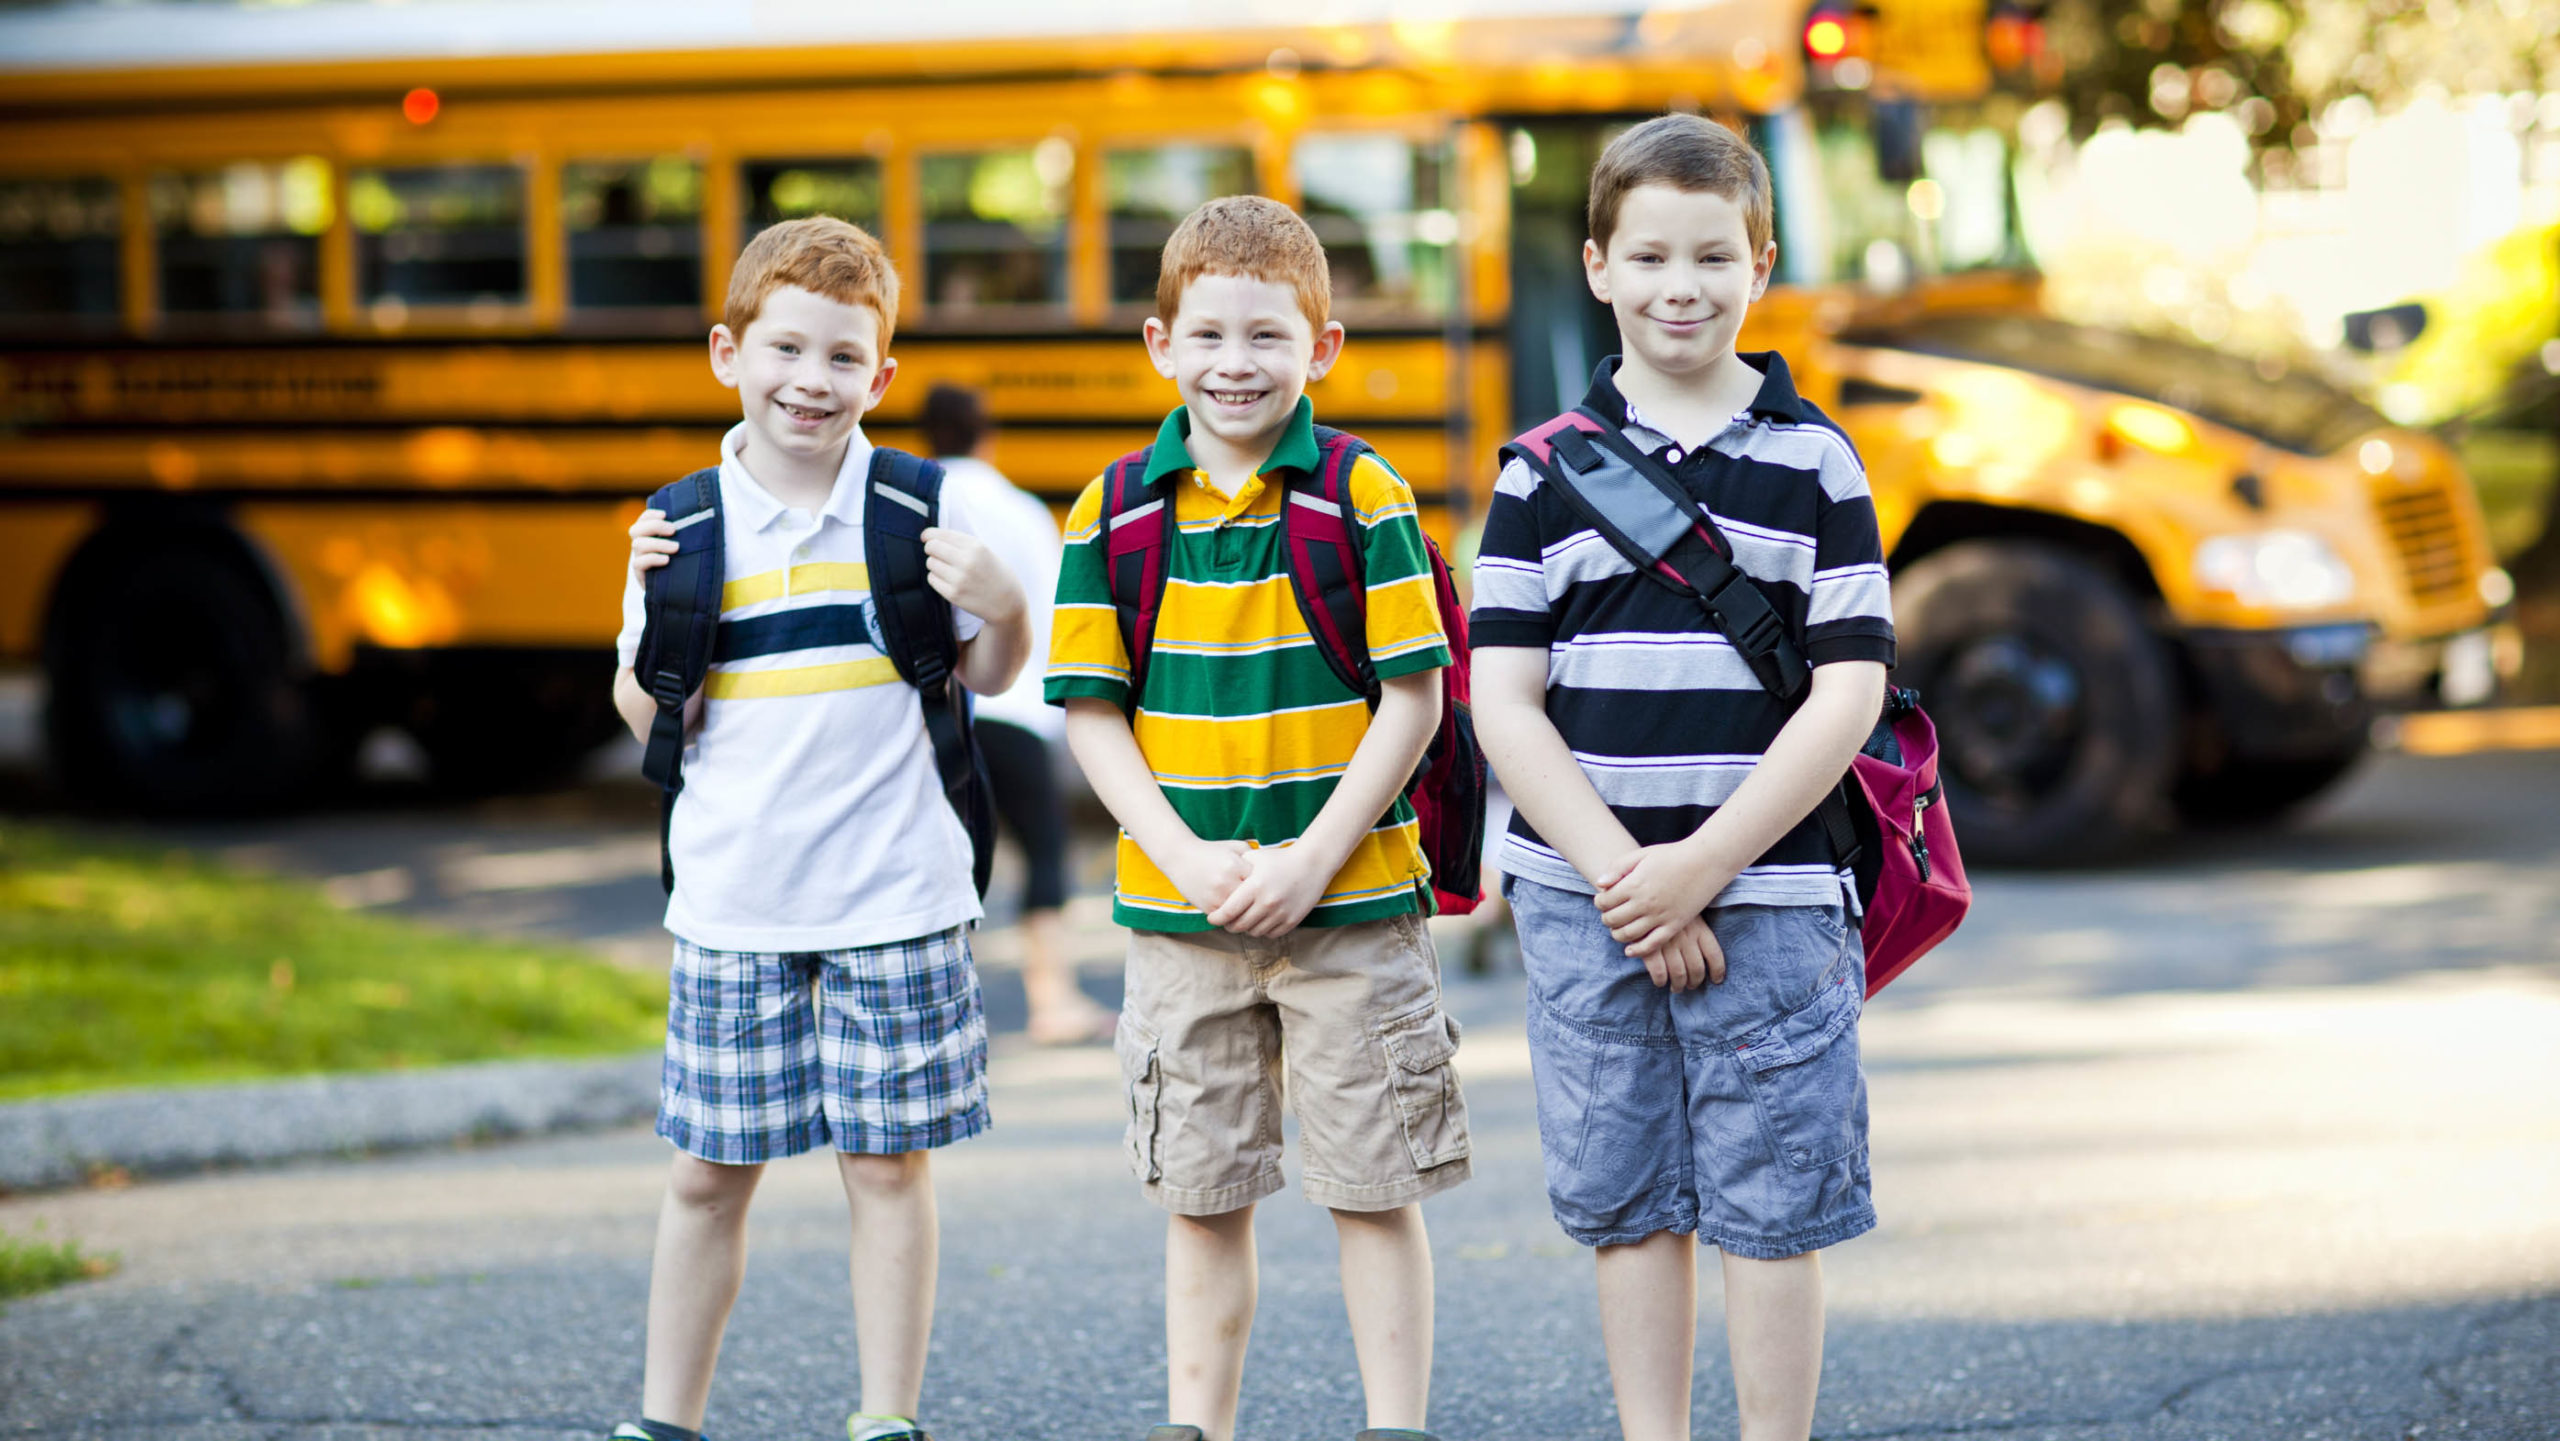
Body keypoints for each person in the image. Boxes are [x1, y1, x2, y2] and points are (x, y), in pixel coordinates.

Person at [1467, 115, 1895, 1441]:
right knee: (1628, 1200)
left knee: (1776, 1207)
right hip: (1585, 901)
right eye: (1649, 255)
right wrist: (1623, 876)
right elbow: (1503, 699)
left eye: (1713, 256)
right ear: (1597, 265)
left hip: (1769, 894)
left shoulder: (1817, 461)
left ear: (1760, 264)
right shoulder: (1538, 473)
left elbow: (1851, 688)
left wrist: (1702, 866)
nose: (1681, 285)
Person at [1046, 195, 1468, 1441]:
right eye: (1210, 337)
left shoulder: (1360, 495)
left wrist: (1308, 858)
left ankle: (1395, 1424)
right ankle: (1198, 1423)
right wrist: (1185, 859)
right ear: (1159, 344)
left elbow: (1416, 698)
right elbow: (1089, 713)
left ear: (1321, 347)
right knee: (1201, 1193)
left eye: (1268, 338)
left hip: (1350, 910)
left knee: (1373, 1189)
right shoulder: (1113, 512)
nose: (1237, 364)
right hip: (1182, 921)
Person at [607, 216, 1030, 1441]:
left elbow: (990, 677)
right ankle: (664, 1418)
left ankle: (886, 1417)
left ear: (881, 376)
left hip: (896, 895)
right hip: (734, 901)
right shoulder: (678, 531)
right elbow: (645, 709)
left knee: (889, 1169)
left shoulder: (917, 510)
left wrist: (1001, 607)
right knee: (703, 1175)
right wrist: (640, 611)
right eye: (785, 349)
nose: (811, 379)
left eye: (843, 358)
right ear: (727, 353)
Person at [919, 382, 1116, 1045]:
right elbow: (1060, 610)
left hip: (937, 717)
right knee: (1044, 849)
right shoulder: (1021, 508)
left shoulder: (911, 506)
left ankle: (938, 1006)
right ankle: (1050, 998)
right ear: (987, 433)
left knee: (946, 858)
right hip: (1019, 712)